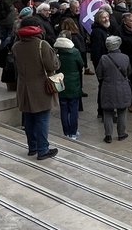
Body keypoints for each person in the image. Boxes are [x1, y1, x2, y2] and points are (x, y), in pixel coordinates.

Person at [12, 16, 60, 160]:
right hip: (41, 88)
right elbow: (52, 66)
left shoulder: (16, 46)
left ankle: (32, 147)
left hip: (23, 88)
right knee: (42, 119)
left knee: (28, 119)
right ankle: (43, 149)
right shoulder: (42, 45)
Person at [96, 35, 132, 143]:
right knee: (122, 111)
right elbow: (129, 72)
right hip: (122, 87)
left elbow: (99, 73)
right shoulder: (125, 57)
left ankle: (108, 135)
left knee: (107, 112)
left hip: (107, 88)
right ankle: (121, 134)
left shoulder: (103, 58)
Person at [53, 34, 85, 140]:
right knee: (73, 109)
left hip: (60, 82)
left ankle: (66, 132)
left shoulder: (56, 52)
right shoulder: (75, 52)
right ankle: (73, 132)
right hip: (74, 83)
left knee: (64, 109)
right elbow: (81, 64)